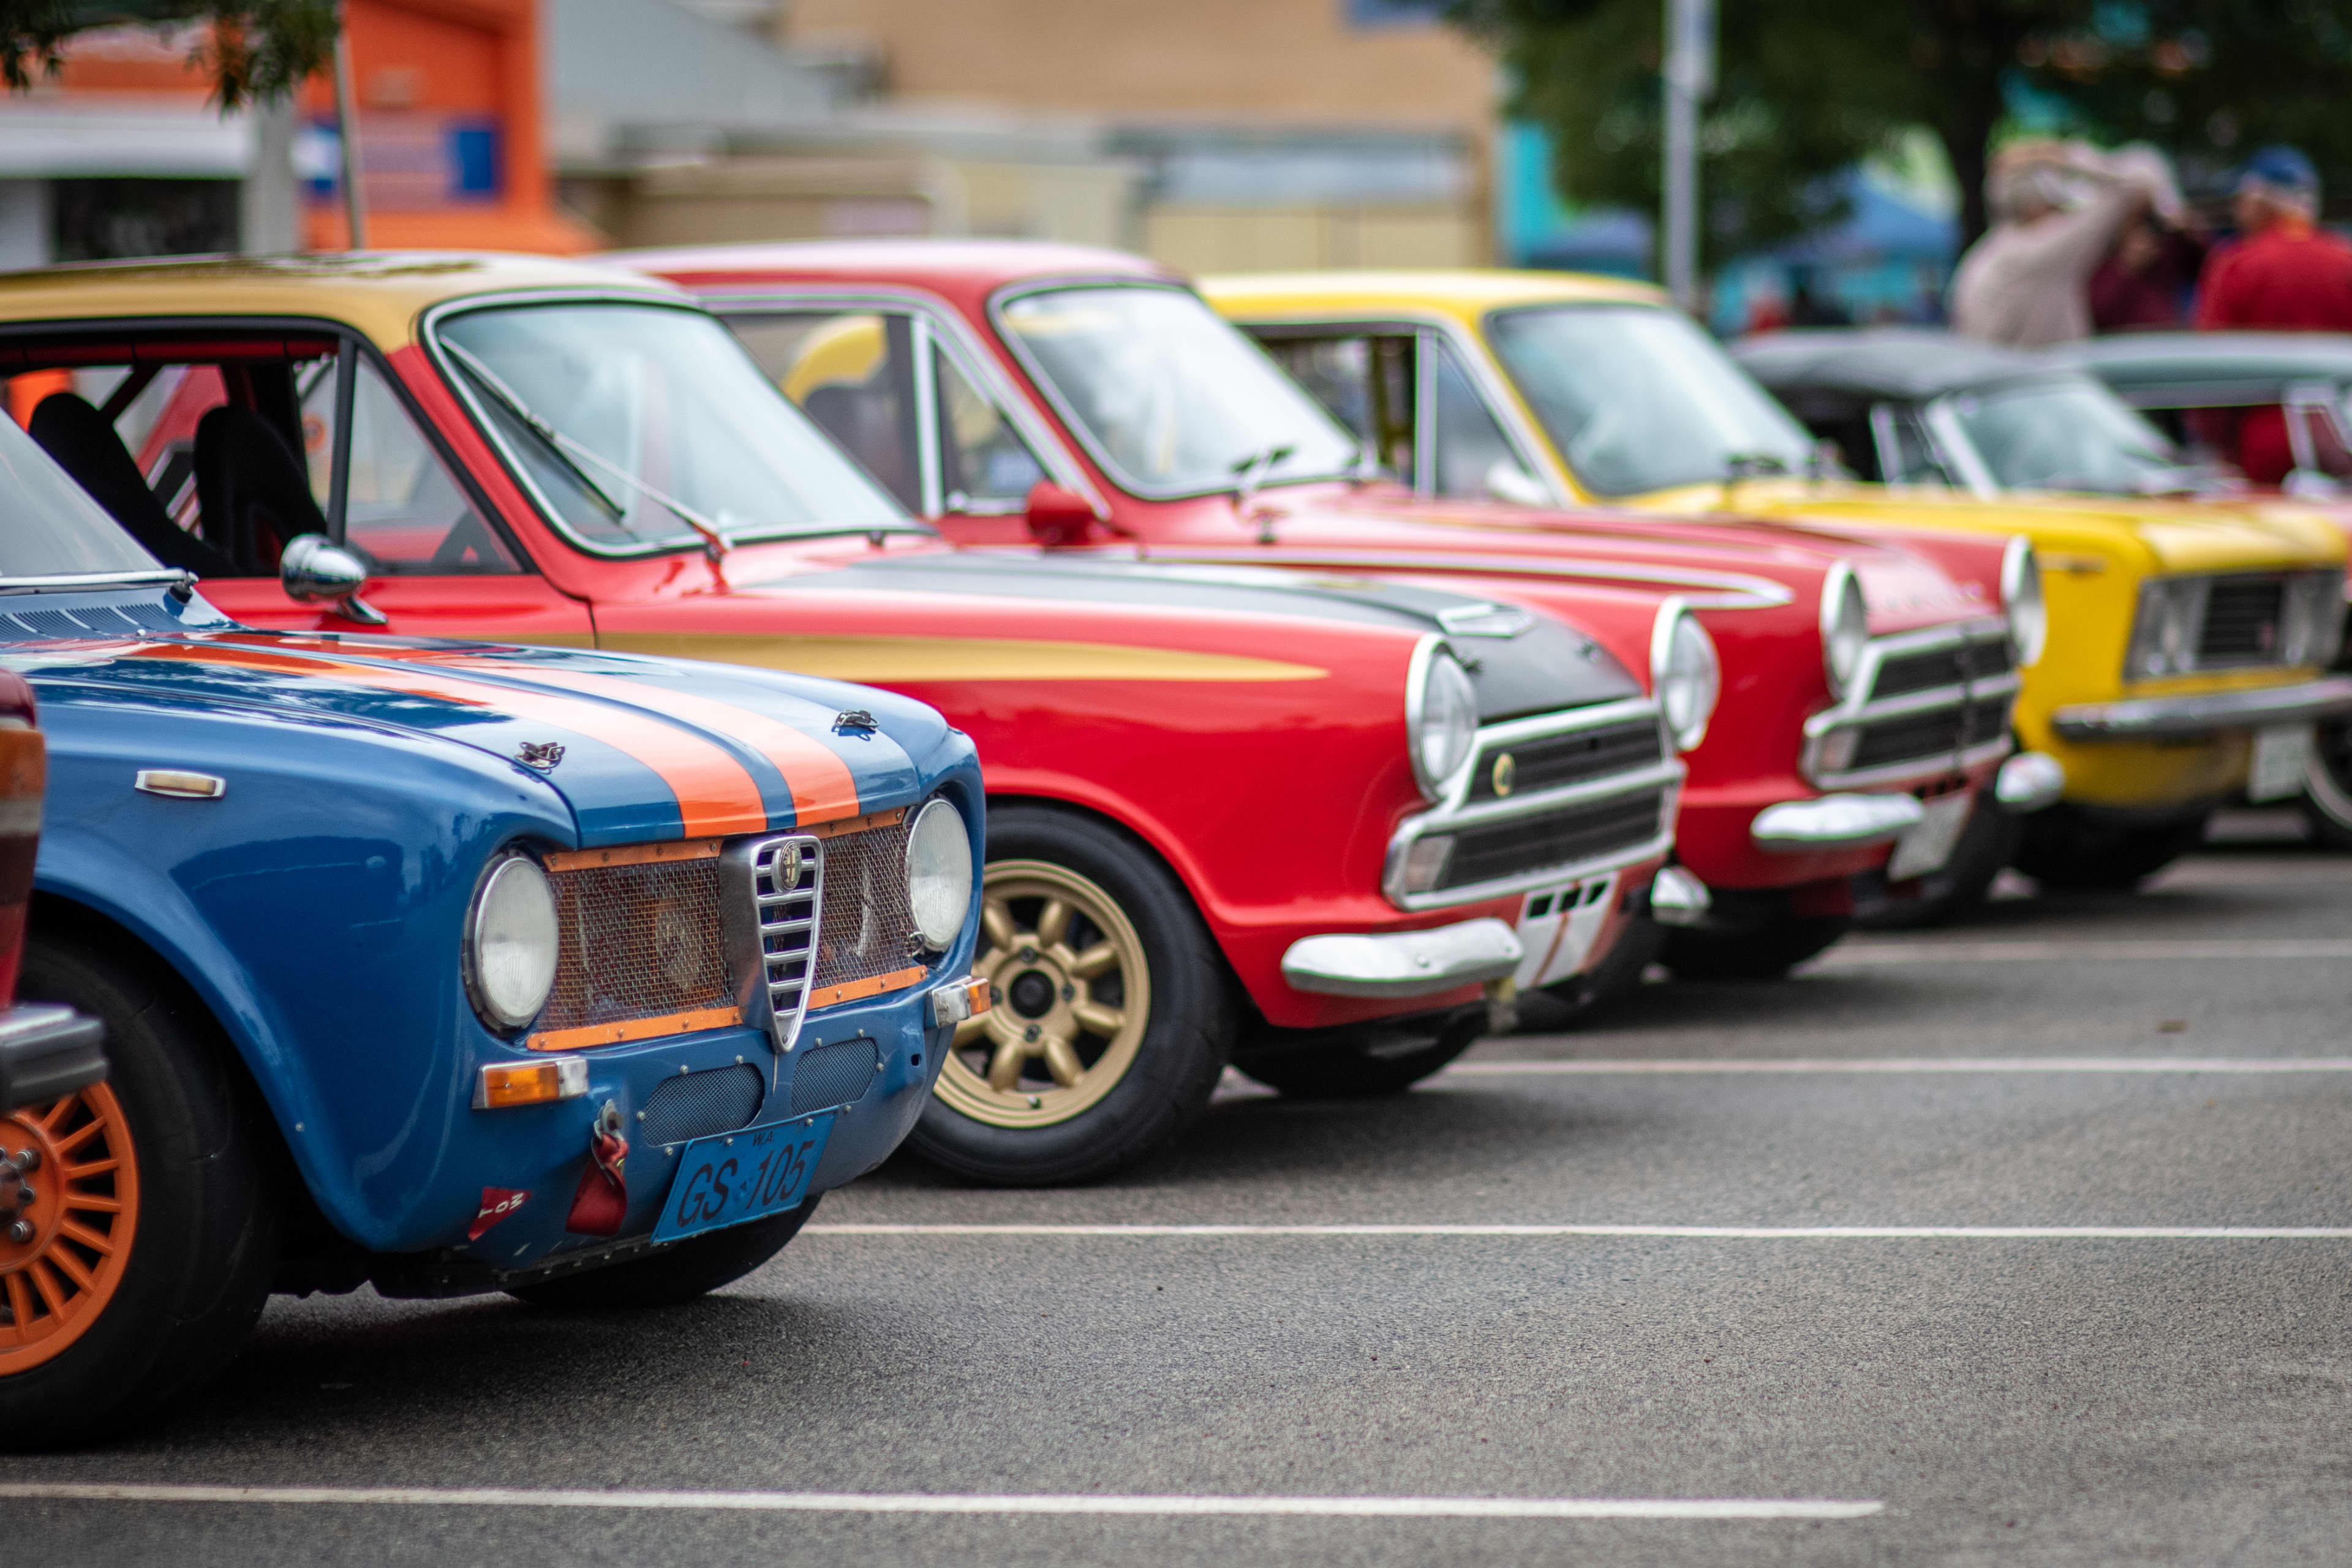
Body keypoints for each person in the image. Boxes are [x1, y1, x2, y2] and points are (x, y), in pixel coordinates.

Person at [2193, 146, 2352, 486]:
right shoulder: (2345, 261)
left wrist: (2216, 445)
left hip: (2261, 446)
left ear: (2259, 199)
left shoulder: (2237, 264)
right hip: (2342, 440)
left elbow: (2208, 368)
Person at [1951, 140, 2184, 347]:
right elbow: (2138, 183)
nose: (2064, 212)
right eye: (2056, 203)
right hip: (2043, 382)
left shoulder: (1985, 253)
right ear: (2035, 206)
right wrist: (2056, 156)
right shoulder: (2047, 248)